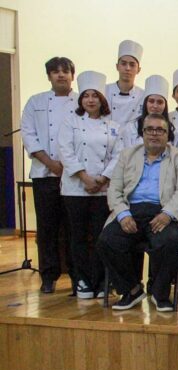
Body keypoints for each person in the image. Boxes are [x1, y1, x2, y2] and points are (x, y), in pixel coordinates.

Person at [96, 113, 178, 312]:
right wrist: (123, 215)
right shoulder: (127, 154)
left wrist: (168, 214)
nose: (154, 134)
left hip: (165, 211)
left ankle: (160, 293)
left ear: (168, 134)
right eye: (150, 129)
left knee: (170, 240)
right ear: (143, 133)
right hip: (131, 211)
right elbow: (114, 189)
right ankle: (131, 290)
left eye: (160, 130)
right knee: (107, 241)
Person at [57, 71, 120, 299]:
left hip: (103, 191)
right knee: (78, 237)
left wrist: (102, 178)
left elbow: (118, 155)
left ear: (102, 100)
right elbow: (65, 151)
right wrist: (84, 177)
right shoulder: (70, 122)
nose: (91, 100)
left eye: (95, 96)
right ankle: (81, 280)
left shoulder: (113, 126)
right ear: (81, 99)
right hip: (75, 189)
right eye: (86, 96)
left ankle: (102, 280)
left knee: (101, 237)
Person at [20, 56, 77, 293]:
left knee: (74, 229)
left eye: (65, 71)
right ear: (49, 76)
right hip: (44, 175)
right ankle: (49, 276)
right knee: (47, 228)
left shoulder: (82, 101)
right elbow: (28, 134)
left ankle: (77, 275)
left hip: (75, 177)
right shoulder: (35, 102)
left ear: (73, 75)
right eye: (55, 72)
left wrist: (71, 167)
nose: (61, 75)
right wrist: (51, 163)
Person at [114, 75, 174, 155]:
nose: (155, 106)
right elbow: (125, 156)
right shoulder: (131, 128)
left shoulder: (173, 130)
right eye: (151, 101)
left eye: (160, 102)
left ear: (165, 105)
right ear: (145, 103)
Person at [106, 39, 144, 126]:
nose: (127, 68)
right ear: (117, 66)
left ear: (138, 70)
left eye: (132, 65)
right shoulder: (104, 91)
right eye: (123, 63)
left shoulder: (143, 96)